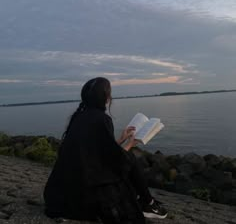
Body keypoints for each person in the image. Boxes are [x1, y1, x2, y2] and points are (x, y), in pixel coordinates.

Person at [44, 77, 167, 223]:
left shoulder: (79, 116)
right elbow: (113, 158)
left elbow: (96, 151)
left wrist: (121, 139)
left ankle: (148, 202)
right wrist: (130, 143)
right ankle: (149, 203)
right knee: (130, 158)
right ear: (106, 98)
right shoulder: (102, 118)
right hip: (82, 194)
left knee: (126, 157)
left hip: (58, 194)